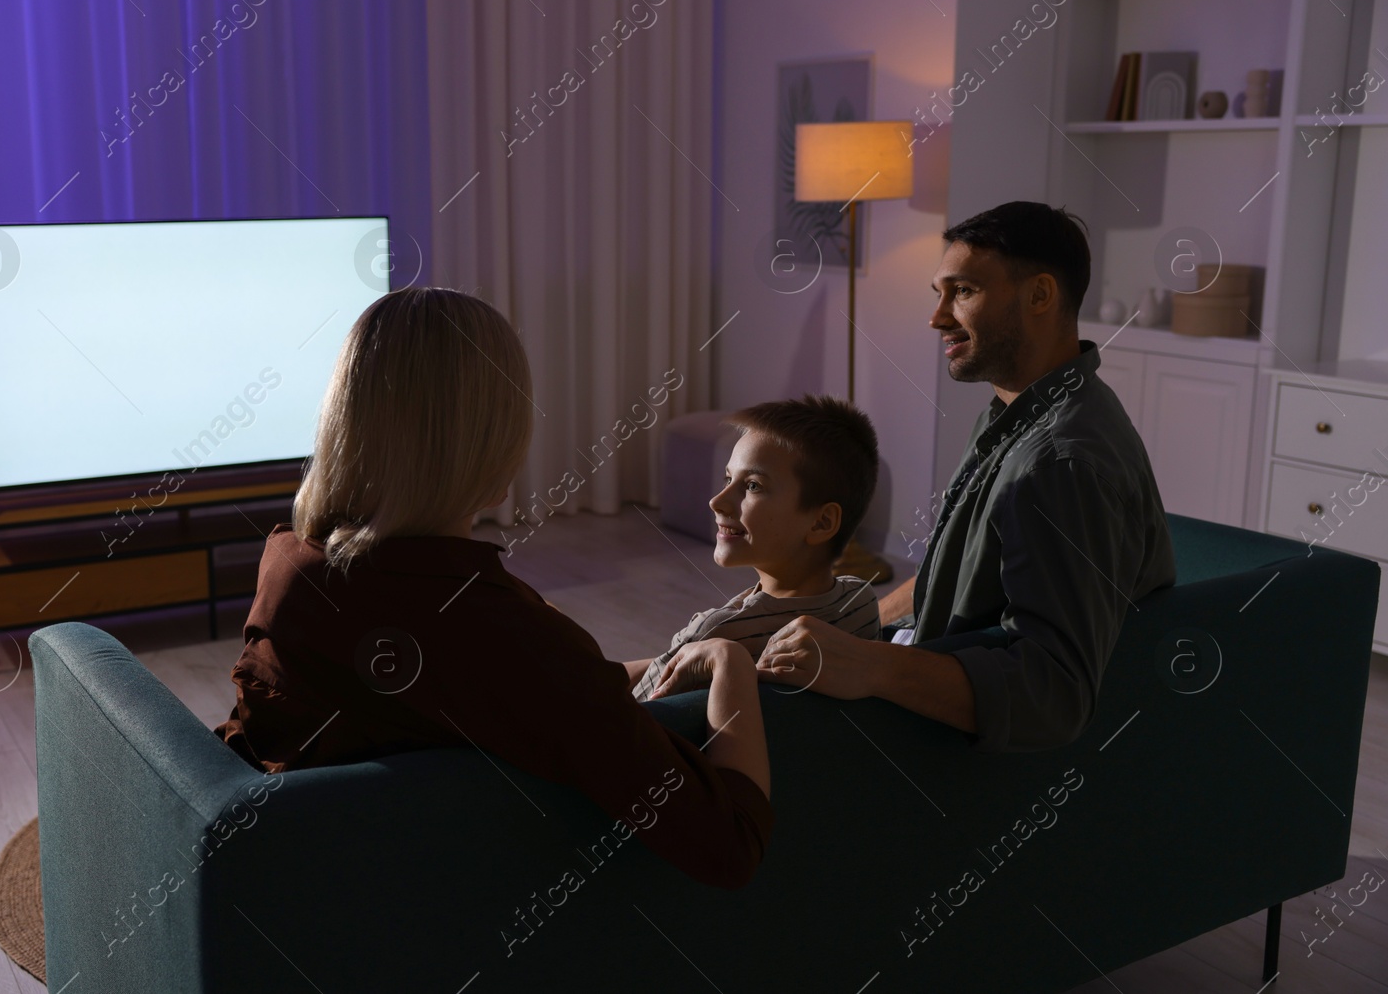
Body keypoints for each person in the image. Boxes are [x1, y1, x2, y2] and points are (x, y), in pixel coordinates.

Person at [213, 287, 772, 888]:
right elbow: (727, 843)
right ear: (492, 439)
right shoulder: (495, 630)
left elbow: (515, 693)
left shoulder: (293, 568)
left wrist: (655, 664)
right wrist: (733, 663)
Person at [751, 201, 1176, 751]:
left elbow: (1052, 695)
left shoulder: (1059, 465)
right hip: (917, 660)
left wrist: (870, 665)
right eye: (939, 293)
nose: (937, 316)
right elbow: (951, 580)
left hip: (930, 746)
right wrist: (854, 622)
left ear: (1040, 295)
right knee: (718, 645)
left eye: (964, 292)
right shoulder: (1018, 413)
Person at [628, 396, 881, 701]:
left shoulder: (716, 635)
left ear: (821, 523)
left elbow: (635, 713)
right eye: (728, 478)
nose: (717, 501)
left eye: (752, 486)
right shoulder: (861, 603)